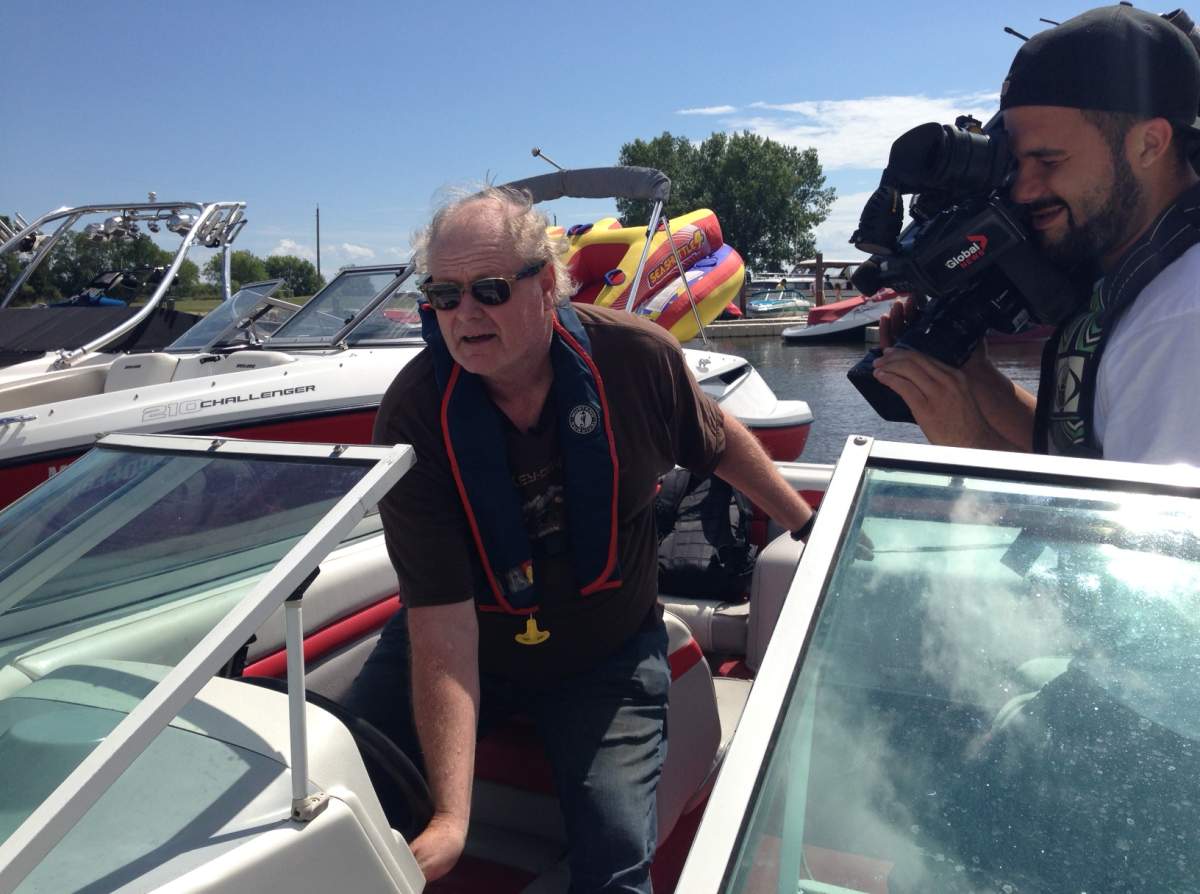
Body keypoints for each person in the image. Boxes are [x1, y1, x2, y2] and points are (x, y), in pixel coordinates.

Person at [346, 186, 814, 891]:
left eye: (490, 289)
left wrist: (806, 523)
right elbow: (440, 624)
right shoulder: (414, 416)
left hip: (607, 653)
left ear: (546, 285)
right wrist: (451, 816)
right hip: (468, 638)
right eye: (443, 295)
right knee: (336, 783)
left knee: (614, 851)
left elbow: (717, 443)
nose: (464, 312)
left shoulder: (637, 359)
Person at [872, 5, 1200, 464]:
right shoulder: (1137, 275)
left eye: (1049, 162)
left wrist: (965, 441)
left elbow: (1150, 534)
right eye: (1016, 165)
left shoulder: (1180, 318)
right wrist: (978, 380)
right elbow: (1085, 451)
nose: (1024, 191)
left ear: (1150, 144)